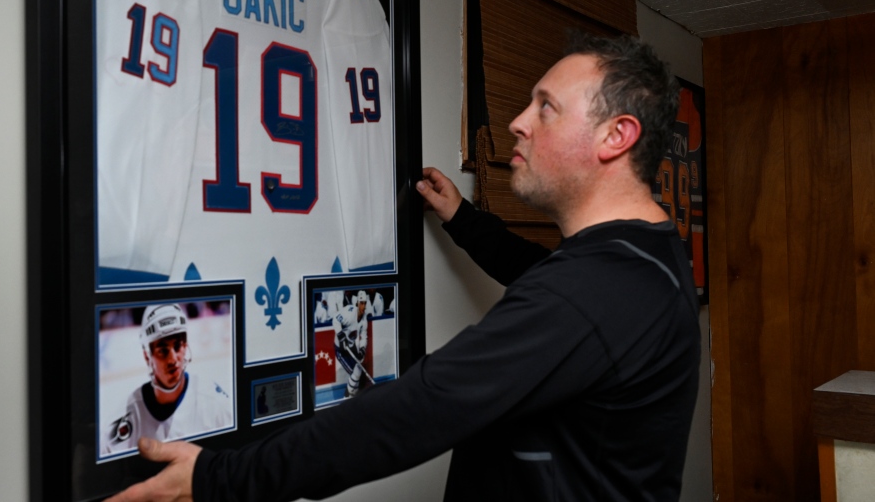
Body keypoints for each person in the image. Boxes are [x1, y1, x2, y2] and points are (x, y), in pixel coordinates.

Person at [106, 32, 701, 501]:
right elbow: (544, 277)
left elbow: (420, 407)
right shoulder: (644, 259)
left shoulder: (590, 292)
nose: (519, 120)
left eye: (546, 107)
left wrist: (221, 481)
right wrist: (464, 221)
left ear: (616, 136)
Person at [102, 304, 233, 456]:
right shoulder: (127, 418)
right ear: (147, 356)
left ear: (185, 347)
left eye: (177, 346)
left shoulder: (215, 405)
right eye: (163, 351)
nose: (173, 359)